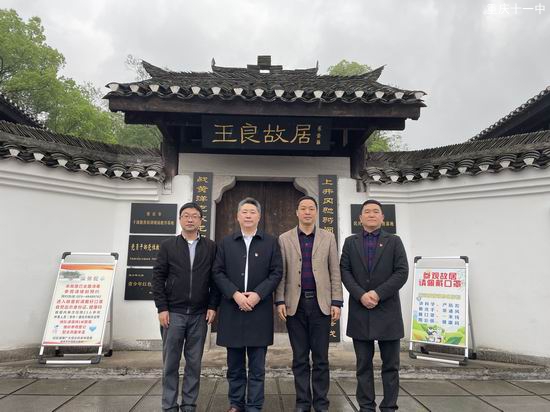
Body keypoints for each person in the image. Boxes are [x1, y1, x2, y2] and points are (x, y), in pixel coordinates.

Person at [212, 197, 283, 412]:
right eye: (244, 212)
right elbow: (217, 272)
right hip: (232, 309)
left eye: (253, 212)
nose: (248, 215)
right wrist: (235, 294)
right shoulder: (226, 242)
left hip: (258, 311)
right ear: (238, 216)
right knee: (234, 366)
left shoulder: (270, 242)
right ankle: (236, 403)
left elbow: (276, 272)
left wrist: (257, 295)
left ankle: (254, 405)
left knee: (257, 366)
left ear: (259, 216)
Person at [276, 195, 343, 412]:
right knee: (300, 357)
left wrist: (336, 301)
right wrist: (280, 300)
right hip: (294, 304)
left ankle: (321, 403)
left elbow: (335, 270)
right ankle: (303, 403)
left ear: (316, 212)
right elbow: (281, 272)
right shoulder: (284, 238)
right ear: (297, 212)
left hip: (320, 304)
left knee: (321, 358)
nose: (307, 212)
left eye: (311, 208)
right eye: (303, 208)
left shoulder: (328, 237)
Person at [340, 199, 409, 412]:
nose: (371, 214)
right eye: (367, 212)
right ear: (360, 218)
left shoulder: (394, 241)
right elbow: (345, 271)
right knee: (363, 365)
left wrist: (378, 294)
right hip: (360, 310)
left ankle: (389, 406)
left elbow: (402, 272)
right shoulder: (350, 242)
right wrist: (361, 295)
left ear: (382, 217)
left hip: (388, 310)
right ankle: (366, 406)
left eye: (376, 211)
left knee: (391, 365)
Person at [152, 202, 219, 412]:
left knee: (194, 363)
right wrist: (162, 308)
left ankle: (189, 404)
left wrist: (212, 306)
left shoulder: (210, 247)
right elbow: (158, 278)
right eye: (186, 215)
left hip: (199, 315)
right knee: (170, 363)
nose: (190, 219)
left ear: (201, 221)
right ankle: (169, 405)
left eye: (195, 216)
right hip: (173, 314)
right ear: (180, 219)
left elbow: (215, 279)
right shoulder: (168, 246)